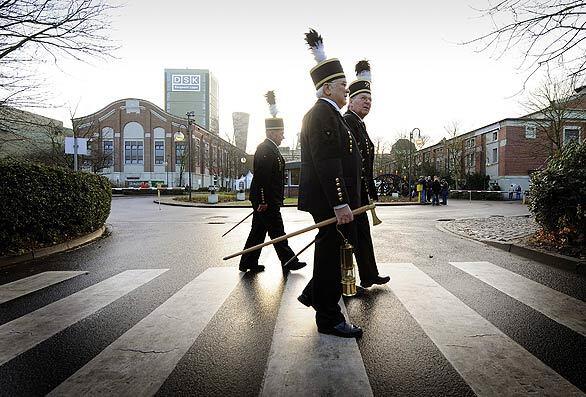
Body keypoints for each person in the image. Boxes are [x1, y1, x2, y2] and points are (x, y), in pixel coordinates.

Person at [296, 29, 363, 338]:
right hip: (329, 201)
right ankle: (329, 318)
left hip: (332, 200)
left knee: (328, 254)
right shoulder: (323, 114)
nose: (345, 90)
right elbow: (327, 162)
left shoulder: (329, 113)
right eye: (341, 85)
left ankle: (315, 297)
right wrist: (340, 202)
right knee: (328, 257)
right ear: (325, 89)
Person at [238, 91, 307, 273]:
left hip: (267, 200)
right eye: (280, 132)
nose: (283, 136)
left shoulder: (270, 148)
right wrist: (262, 201)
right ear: (271, 132)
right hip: (266, 201)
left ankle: (247, 262)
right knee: (278, 232)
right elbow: (261, 177)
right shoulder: (265, 149)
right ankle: (289, 260)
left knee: (258, 232)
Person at [343, 60, 390, 289]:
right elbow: (349, 165)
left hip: (360, 194)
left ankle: (370, 275)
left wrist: (370, 193)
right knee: (347, 240)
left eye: (370, 99)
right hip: (350, 195)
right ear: (350, 101)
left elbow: (366, 165)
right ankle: (315, 291)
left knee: (363, 236)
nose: (368, 103)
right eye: (363, 99)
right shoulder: (347, 122)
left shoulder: (359, 124)